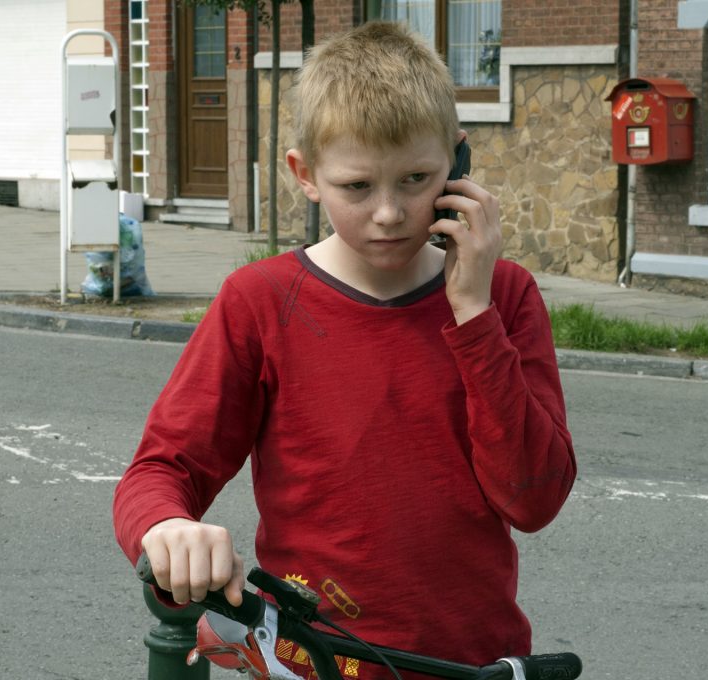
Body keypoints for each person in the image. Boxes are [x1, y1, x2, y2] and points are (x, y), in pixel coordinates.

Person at [113, 20, 576, 679]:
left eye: (416, 178)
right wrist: (166, 529)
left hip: (471, 664)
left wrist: (474, 312)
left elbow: (534, 499)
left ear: (458, 164)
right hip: (315, 663)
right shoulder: (260, 300)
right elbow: (161, 469)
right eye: (357, 187)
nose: (389, 213)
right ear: (305, 174)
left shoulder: (505, 295)